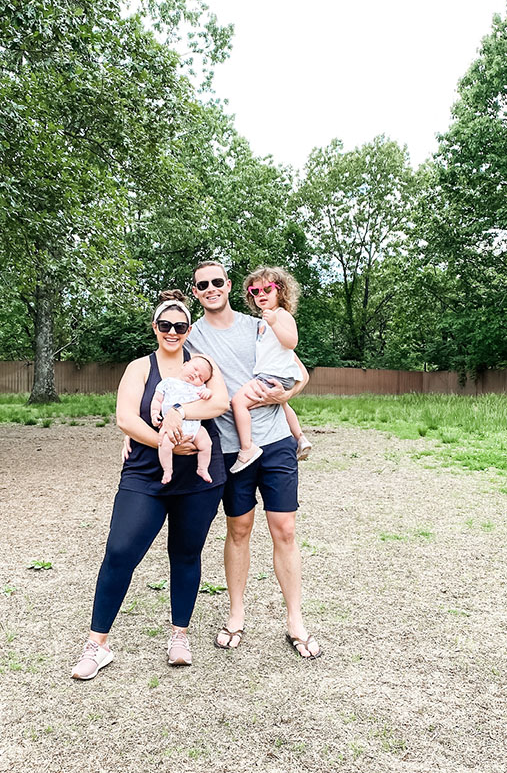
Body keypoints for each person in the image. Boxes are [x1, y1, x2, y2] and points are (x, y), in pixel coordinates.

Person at [71, 291, 229, 679]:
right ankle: (97, 645)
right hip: (145, 473)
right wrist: (167, 441)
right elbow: (126, 418)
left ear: (189, 330)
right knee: (120, 550)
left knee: (186, 553)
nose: (172, 332)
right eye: (165, 325)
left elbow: (219, 404)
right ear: (155, 328)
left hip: (199, 477)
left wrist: (178, 413)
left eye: (179, 326)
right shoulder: (141, 367)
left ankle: (179, 636)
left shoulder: (204, 366)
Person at [184, 260, 322, 660]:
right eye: (202, 285)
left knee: (284, 530)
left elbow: (299, 372)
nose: (210, 288)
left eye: (216, 282)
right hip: (230, 446)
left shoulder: (259, 323)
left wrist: (286, 396)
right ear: (196, 292)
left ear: (228, 285)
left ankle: (295, 620)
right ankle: (236, 615)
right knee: (239, 529)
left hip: (276, 442)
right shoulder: (192, 337)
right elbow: (169, 377)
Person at [229, 266, 310, 473]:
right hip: (275, 375)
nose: (261, 295)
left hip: (273, 376)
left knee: (238, 402)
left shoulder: (281, 316)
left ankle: (247, 448)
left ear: (280, 290)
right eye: (255, 292)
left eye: (267, 289)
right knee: (283, 406)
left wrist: (274, 323)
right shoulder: (264, 321)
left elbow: (291, 342)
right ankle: (300, 438)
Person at [151, 355, 215, 484]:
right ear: (185, 364)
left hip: (194, 426)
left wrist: (208, 393)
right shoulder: (168, 383)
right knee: (164, 445)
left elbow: (209, 400)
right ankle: (167, 470)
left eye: (200, 377)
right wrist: (154, 413)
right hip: (171, 426)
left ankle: (202, 468)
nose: (196, 375)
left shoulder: (200, 389)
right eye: (195, 368)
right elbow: (157, 400)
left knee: (207, 444)